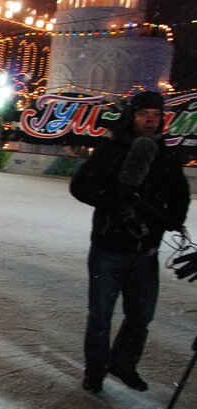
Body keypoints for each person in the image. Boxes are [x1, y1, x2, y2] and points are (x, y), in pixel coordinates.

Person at [70, 91, 190, 393]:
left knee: (141, 316)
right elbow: (80, 186)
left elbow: (180, 197)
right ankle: (95, 371)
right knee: (100, 317)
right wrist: (113, 202)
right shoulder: (111, 150)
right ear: (132, 117)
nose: (150, 120)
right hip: (108, 251)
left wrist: (168, 218)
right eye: (142, 114)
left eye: (155, 114)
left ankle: (123, 362)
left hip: (145, 253)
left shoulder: (166, 155)